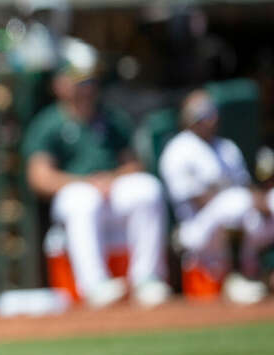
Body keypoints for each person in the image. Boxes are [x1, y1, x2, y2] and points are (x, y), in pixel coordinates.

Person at [23, 53, 170, 307]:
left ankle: (147, 278)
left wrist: (110, 179)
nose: (86, 88)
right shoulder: (49, 123)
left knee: (148, 189)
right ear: (60, 84)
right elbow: (39, 177)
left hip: (112, 191)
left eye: (90, 81)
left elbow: (134, 164)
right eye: (79, 81)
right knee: (84, 199)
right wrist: (84, 182)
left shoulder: (112, 118)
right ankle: (95, 285)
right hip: (74, 195)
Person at [158, 90, 269, 304]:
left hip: (240, 220)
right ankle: (235, 278)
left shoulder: (226, 147)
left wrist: (261, 201)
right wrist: (243, 196)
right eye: (204, 113)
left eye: (213, 112)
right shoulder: (179, 149)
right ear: (189, 117)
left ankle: (267, 272)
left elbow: (245, 186)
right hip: (198, 230)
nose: (212, 118)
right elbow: (196, 199)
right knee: (235, 202)